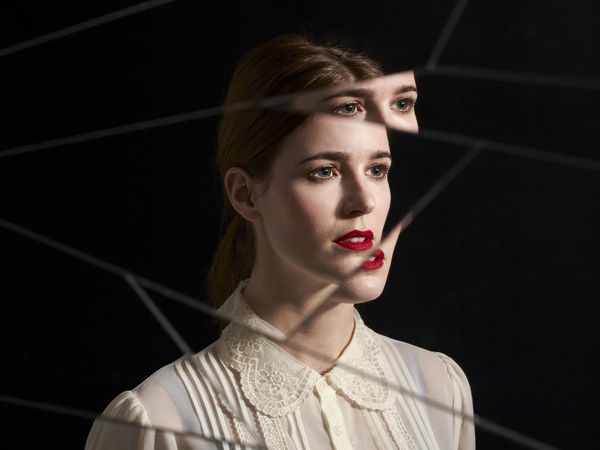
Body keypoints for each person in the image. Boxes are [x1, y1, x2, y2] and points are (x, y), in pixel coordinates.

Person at [85, 34, 475, 450]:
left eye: (377, 169)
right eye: (324, 171)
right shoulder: (158, 422)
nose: (364, 201)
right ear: (245, 194)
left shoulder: (439, 388)